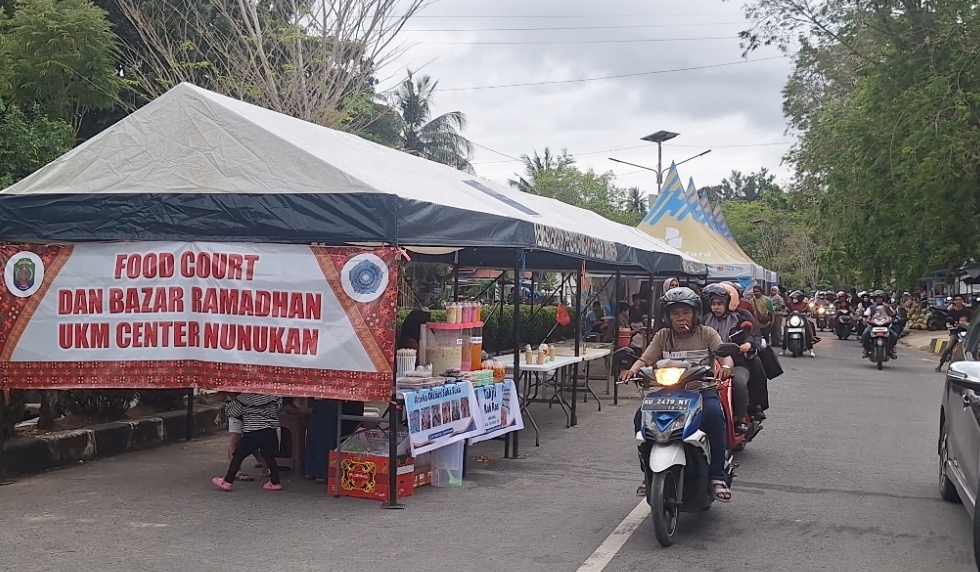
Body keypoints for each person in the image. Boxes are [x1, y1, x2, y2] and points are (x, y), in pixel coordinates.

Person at [620, 287, 734, 502]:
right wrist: (632, 371)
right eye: (675, 313)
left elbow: (725, 355)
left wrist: (726, 367)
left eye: (686, 312)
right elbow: (645, 359)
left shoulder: (707, 333)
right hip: (669, 392)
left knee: (714, 416)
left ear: (696, 314)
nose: (680, 317)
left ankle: (717, 476)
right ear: (667, 316)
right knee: (640, 417)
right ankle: (647, 474)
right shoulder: (663, 336)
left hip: (702, 390)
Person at [700, 284, 754, 434]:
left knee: (738, 382)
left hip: (736, 363)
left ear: (727, 303)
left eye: (719, 304)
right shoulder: (704, 321)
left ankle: (740, 419)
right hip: (708, 364)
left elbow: (749, 336)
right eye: (713, 304)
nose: (716, 307)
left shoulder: (738, 319)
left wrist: (747, 344)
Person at [213, 393, 284, 491]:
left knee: (238, 456)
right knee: (269, 457)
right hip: (270, 431)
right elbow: (279, 407)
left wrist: (232, 401)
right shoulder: (273, 396)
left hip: (252, 433)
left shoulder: (243, 398)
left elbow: (233, 412)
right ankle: (275, 482)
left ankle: (227, 481)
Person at [936, 294, 974, 371]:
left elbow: (972, 322)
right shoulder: (951, 312)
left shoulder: (967, 312)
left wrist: (968, 324)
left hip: (967, 334)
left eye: (960, 300)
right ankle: (940, 364)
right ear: (954, 301)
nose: (958, 301)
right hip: (955, 333)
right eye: (956, 300)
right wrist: (949, 326)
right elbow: (948, 322)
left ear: (962, 301)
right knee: (947, 348)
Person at [861, 290, 898, 359]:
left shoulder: (887, 307)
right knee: (865, 334)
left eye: (880, 298)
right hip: (873, 325)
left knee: (894, 336)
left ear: (883, 298)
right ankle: (866, 350)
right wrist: (865, 319)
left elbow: (892, 314)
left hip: (885, 325)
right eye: (877, 298)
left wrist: (893, 318)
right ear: (874, 299)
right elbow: (866, 314)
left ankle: (891, 348)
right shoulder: (871, 307)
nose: (879, 299)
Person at [786, 290, 817, 357]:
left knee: (807, 328)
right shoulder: (790, 304)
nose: (794, 299)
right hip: (792, 320)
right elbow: (786, 310)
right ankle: (783, 349)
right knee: (786, 328)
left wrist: (807, 312)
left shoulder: (804, 304)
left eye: (796, 298)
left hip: (802, 320)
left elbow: (808, 309)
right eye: (793, 298)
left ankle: (811, 349)